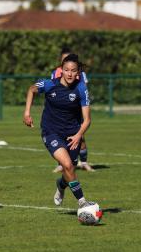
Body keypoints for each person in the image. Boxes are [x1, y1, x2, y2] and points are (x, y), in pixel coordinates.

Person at [24, 53, 97, 208]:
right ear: (61, 70)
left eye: (73, 71)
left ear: (78, 73)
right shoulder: (50, 84)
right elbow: (31, 90)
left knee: (67, 170)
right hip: (51, 131)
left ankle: (60, 185)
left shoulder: (81, 88)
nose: (69, 73)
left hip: (73, 134)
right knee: (68, 166)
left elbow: (87, 119)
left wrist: (78, 135)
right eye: (66, 70)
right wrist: (27, 113)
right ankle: (82, 202)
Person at [51, 47, 95, 173]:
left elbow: (83, 90)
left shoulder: (80, 74)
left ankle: (84, 162)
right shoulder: (56, 73)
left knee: (80, 137)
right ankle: (61, 164)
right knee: (60, 137)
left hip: (75, 110)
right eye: (64, 58)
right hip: (60, 111)